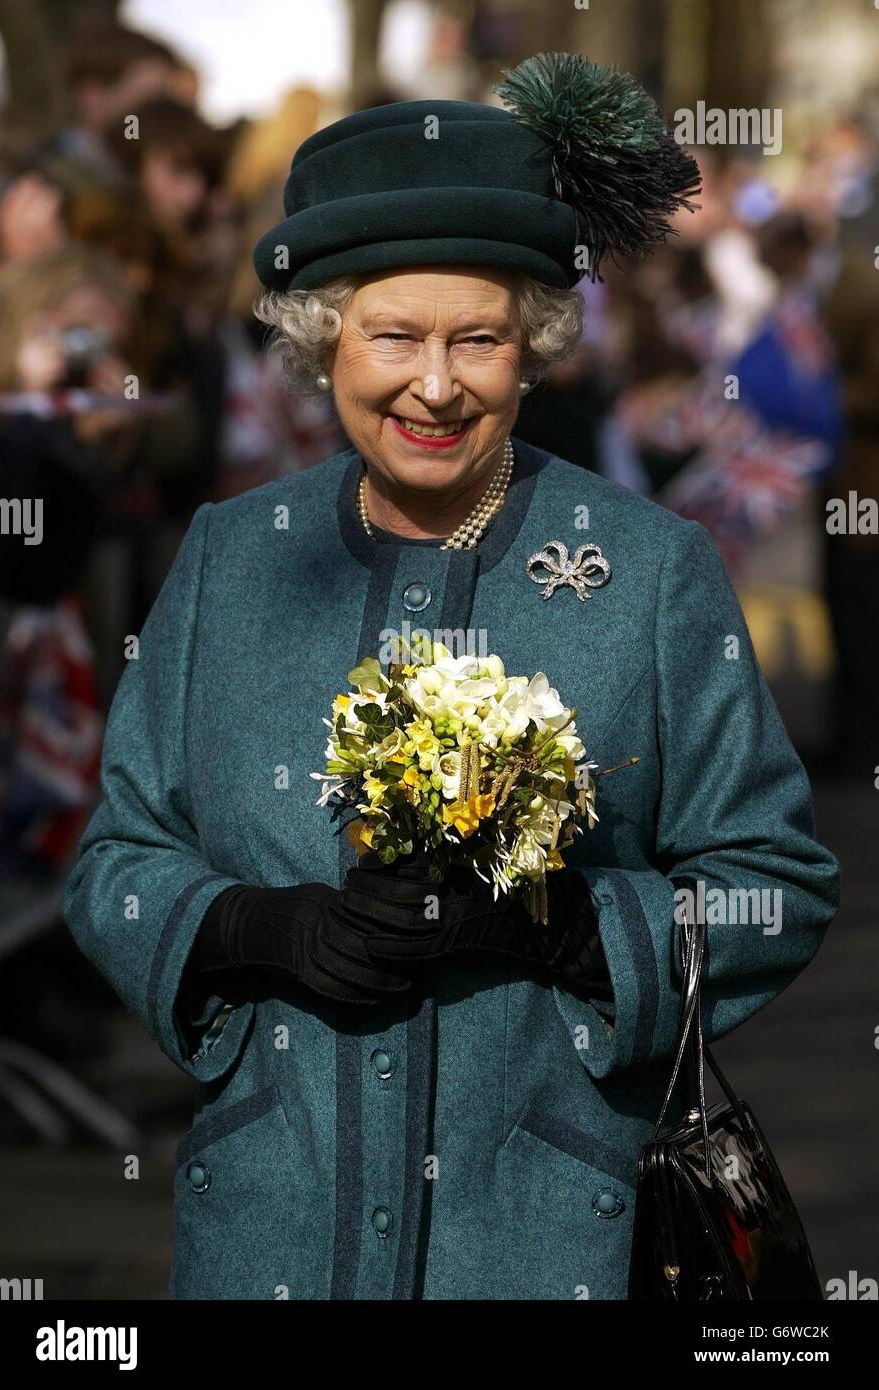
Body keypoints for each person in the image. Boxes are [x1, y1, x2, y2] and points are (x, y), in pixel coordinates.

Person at [62, 54, 839, 1301]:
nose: (435, 382)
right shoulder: (230, 559)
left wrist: (565, 926)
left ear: (531, 349)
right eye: (393, 335)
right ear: (325, 343)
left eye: (478, 337)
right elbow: (116, 863)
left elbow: (775, 885)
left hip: (545, 1232)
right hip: (272, 1232)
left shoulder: (649, 571)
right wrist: (260, 929)